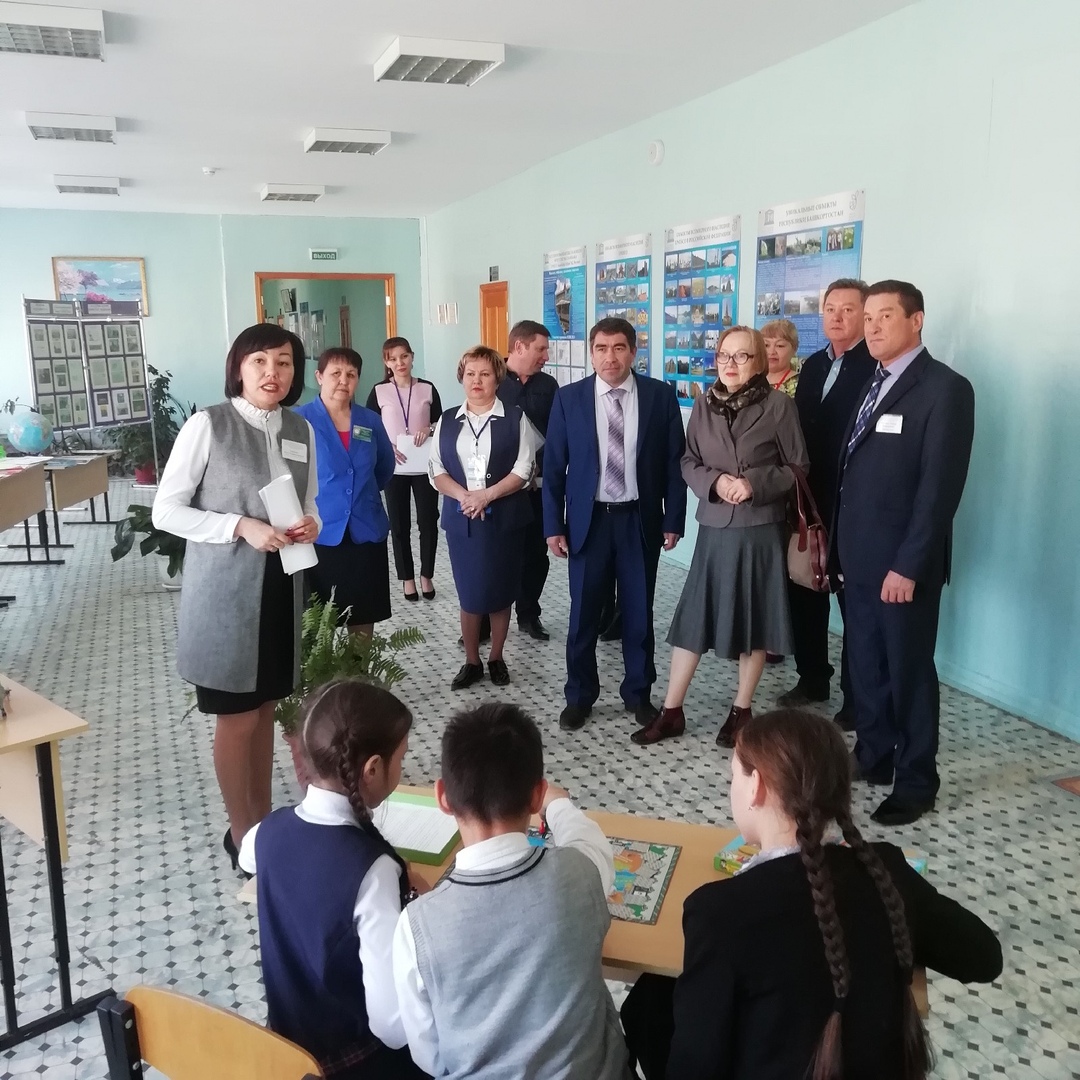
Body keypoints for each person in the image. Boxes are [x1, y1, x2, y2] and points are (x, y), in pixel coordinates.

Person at [619, 709, 1003, 1080]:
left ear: (756, 787)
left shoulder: (717, 911)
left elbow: (693, 1068)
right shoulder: (885, 870)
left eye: (734, 776)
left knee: (649, 1000)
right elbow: (985, 959)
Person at [153, 324, 320, 874]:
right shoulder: (209, 424)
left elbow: (309, 499)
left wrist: (311, 523)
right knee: (238, 719)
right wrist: (239, 525)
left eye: (285, 362)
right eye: (260, 362)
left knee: (266, 710)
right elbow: (166, 510)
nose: (273, 373)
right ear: (239, 369)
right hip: (225, 594)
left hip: (280, 586)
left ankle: (262, 822)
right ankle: (242, 833)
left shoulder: (300, 427)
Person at [391, 703, 628, 1080]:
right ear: (536, 796)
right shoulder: (581, 871)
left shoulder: (415, 926)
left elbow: (430, 1058)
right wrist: (558, 804)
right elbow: (590, 842)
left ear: (443, 797)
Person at [831, 280, 975, 826]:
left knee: (909, 673)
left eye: (884, 316)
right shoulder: (874, 381)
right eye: (867, 318)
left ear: (916, 321)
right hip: (859, 558)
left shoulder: (945, 389)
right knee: (866, 665)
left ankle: (916, 781)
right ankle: (874, 754)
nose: (871, 327)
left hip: (901, 567)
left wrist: (909, 565)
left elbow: (939, 491)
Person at [239, 681, 428, 1080]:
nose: (402, 767)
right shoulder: (373, 872)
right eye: (401, 758)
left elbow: (247, 855)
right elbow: (392, 1027)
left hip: (287, 1052)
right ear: (372, 769)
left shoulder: (267, 833)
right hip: (354, 1064)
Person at [632, 326, 808, 747]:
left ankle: (741, 710)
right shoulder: (703, 404)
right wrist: (714, 482)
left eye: (741, 356)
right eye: (724, 356)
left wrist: (752, 483)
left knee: (754, 620)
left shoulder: (779, 406)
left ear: (758, 362)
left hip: (759, 529)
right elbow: (688, 460)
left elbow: (798, 467)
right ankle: (672, 711)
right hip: (714, 526)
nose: (730, 364)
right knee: (694, 618)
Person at [544, 316, 686, 732]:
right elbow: (553, 469)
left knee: (639, 614)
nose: (610, 357)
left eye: (619, 348)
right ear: (591, 354)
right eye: (602, 349)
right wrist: (553, 525)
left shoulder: (660, 396)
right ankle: (579, 696)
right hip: (588, 523)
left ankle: (638, 694)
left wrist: (673, 519)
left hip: (639, 520)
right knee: (583, 615)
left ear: (633, 352)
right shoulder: (569, 399)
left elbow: (674, 465)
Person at [778, 279, 875, 724]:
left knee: (853, 603)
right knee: (805, 589)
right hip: (808, 499)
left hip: (852, 503)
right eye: (830, 308)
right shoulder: (814, 365)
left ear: (865, 315)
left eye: (848, 309)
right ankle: (812, 676)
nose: (836, 317)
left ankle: (856, 699)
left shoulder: (874, 366)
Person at [429, 346, 535, 690]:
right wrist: (465, 497)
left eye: (485, 374)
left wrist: (487, 496)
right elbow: (436, 469)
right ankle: (472, 661)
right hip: (463, 521)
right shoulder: (447, 420)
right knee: (470, 593)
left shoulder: (515, 418)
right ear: (462, 378)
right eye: (471, 374)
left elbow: (524, 468)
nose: (477, 380)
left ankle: (497, 658)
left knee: (501, 592)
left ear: (497, 379)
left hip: (504, 520)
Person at [297, 347, 395, 635]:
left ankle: (357, 666)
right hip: (320, 531)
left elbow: (384, 467)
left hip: (365, 529)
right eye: (335, 373)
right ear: (319, 377)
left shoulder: (370, 421)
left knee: (363, 612)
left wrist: (360, 495)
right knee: (318, 619)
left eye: (351, 375)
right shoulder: (300, 420)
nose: (343, 380)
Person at [496, 319, 558, 642]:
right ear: (519, 347)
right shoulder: (492, 380)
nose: (546, 356)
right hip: (501, 488)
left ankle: (529, 614)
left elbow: (557, 435)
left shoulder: (549, 386)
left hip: (538, 487)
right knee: (499, 554)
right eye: (541, 349)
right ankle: (487, 619)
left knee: (535, 554)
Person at [368, 337, 442, 602]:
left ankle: (426, 575)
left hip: (424, 466)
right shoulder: (379, 391)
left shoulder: (427, 388)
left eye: (404, 356)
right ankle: (407, 578)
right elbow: (368, 428)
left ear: (412, 357)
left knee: (428, 522)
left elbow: (441, 422)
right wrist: (386, 445)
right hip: (394, 466)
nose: (399, 363)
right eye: (393, 359)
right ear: (386, 363)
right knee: (399, 525)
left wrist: (428, 428)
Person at [760, 317, 800, 396]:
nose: (771, 352)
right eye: (766, 345)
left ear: (794, 349)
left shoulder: (801, 383)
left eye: (779, 345)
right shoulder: (751, 380)